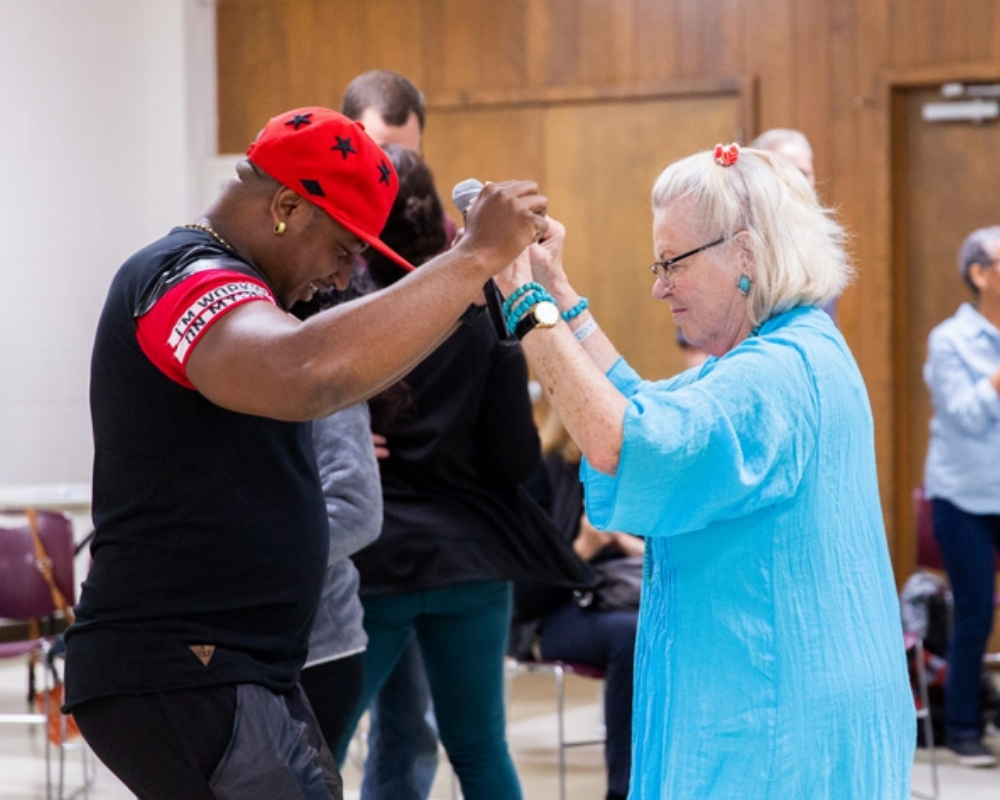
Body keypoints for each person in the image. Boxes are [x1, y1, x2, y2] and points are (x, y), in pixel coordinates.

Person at [63, 106, 547, 800]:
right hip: (184, 665)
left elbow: (350, 370)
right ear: (287, 205)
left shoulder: (241, 287)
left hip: (232, 666)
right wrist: (469, 258)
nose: (345, 278)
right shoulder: (183, 276)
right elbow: (305, 372)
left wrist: (468, 287)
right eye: (344, 251)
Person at [494, 142, 915, 798]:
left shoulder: (771, 377)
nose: (659, 286)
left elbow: (625, 443)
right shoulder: (792, 348)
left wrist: (521, 297)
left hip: (775, 728)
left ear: (745, 254)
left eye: (673, 263)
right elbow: (645, 408)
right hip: (794, 707)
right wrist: (558, 291)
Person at [338, 144, 543, 800]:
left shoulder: (340, 314)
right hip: (471, 563)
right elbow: (517, 461)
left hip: (376, 564)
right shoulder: (484, 311)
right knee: (480, 751)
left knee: (319, 745)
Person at [341, 68, 443, 800]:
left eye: (404, 154)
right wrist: (341, 431)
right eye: (378, 152)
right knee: (320, 732)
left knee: (413, 731)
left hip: (419, 530)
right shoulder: (314, 245)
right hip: (349, 538)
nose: (392, 174)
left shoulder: (436, 239)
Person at [513, 404, 639, 800]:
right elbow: (524, 596)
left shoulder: (625, 476)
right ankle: (623, 788)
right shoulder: (541, 476)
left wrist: (622, 542)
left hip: (615, 599)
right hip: (550, 614)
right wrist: (584, 548)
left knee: (672, 621)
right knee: (630, 635)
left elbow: (650, 554)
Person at [922, 225, 1000, 767]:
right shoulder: (949, 340)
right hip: (963, 499)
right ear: (980, 273)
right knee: (973, 613)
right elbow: (966, 415)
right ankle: (965, 728)